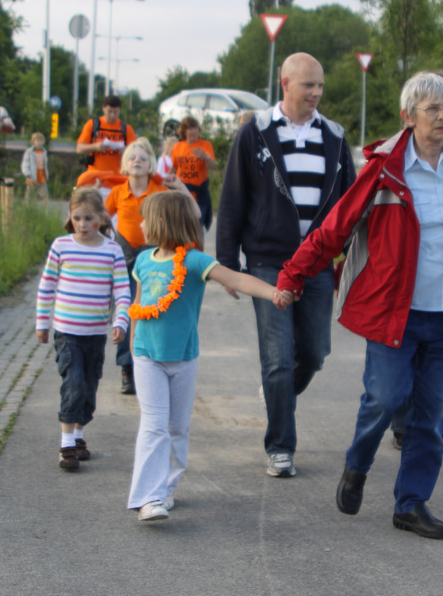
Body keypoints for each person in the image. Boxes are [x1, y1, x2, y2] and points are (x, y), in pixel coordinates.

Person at [275, 71, 443, 539]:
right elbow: (335, 227)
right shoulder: (384, 169)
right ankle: (357, 464)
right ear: (408, 116)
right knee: (384, 399)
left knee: (430, 417)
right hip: (396, 311)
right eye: (432, 108)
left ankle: (410, 504)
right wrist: (294, 273)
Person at [216, 52, 357, 479]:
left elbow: (350, 204)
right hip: (268, 262)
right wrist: (227, 263)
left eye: (320, 86)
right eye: (308, 85)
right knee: (277, 358)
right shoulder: (255, 132)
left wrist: (353, 257)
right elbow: (232, 199)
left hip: (317, 262)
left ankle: (277, 393)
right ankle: (280, 447)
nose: (316, 93)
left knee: (314, 353)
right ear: (285, 84)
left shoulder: (334, 135)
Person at [127, 191, 288, 521]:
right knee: (154, 426)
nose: (140, 224)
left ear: (161, 222)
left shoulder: (194, 261)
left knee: (177, 428)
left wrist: (273, 292)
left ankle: (166, 489)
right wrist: (132, 347)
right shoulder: (142, 261)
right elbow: (137, 305)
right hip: (147, 358)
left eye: (145, 218)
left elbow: (236, 278)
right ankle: (148, 498)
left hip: (183, 358)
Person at [35, 187, 131, 472]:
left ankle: (78, 437)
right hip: (67, 332)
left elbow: (122, 291)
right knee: (73, 383)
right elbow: (47, 286)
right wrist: (42, 322)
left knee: (89, 388)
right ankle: (66, 445)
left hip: (96, 334)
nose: (82, 224)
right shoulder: (61, 246)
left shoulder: (112, 250)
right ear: (69, 217)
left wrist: (121, 321)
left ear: (102, 217)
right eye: (76, 218)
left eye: (89, 218)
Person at [105, 138, 198, 395]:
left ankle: (154, 361)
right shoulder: (118, 192)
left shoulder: (159, 191)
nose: (137, 161)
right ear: (125, 164)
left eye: (143, 158)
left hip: (154, 259)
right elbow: (100, 219)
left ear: (150, 166)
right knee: (128, 310)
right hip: (125, 259)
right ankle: (127, 367)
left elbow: (191, 212)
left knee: (153, 310)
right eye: (132, 158)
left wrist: (180, 186)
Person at [171, 116, 216, 230]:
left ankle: (197, 241)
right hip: (182, 191)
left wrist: (205, 157)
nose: (194, 131)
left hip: (199, 193)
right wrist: (167, 181)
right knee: (180, 226)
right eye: (190, 128)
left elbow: (212, 166)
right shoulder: (178, 146)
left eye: (195, 128)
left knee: (197, 226)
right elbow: (174, 168)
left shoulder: (205, 145)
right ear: (184, 131)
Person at [76, 94, 136, 175]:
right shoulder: (93, 124)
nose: (112, 115)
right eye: (109, 111)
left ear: (119, 111)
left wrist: (125, 151)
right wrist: (96, 146)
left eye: (115, 112)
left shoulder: (126, 129)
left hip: (118, 177)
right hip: (95, 176)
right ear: (103, 108)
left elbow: (136, 152)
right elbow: (79, 148)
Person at [20, 132, 49, 202]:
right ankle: (28, 207)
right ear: (33, 142)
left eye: (41, 141)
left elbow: (44, 165)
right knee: (30, 195)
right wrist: (27, 174)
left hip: (41, 176)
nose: (40, 142)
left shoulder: (44, 152)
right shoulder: (29, 152)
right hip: (32, 176)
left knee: (45, 194)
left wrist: (46, 175)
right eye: (38, 140)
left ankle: (45, 208)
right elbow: (25, 164)